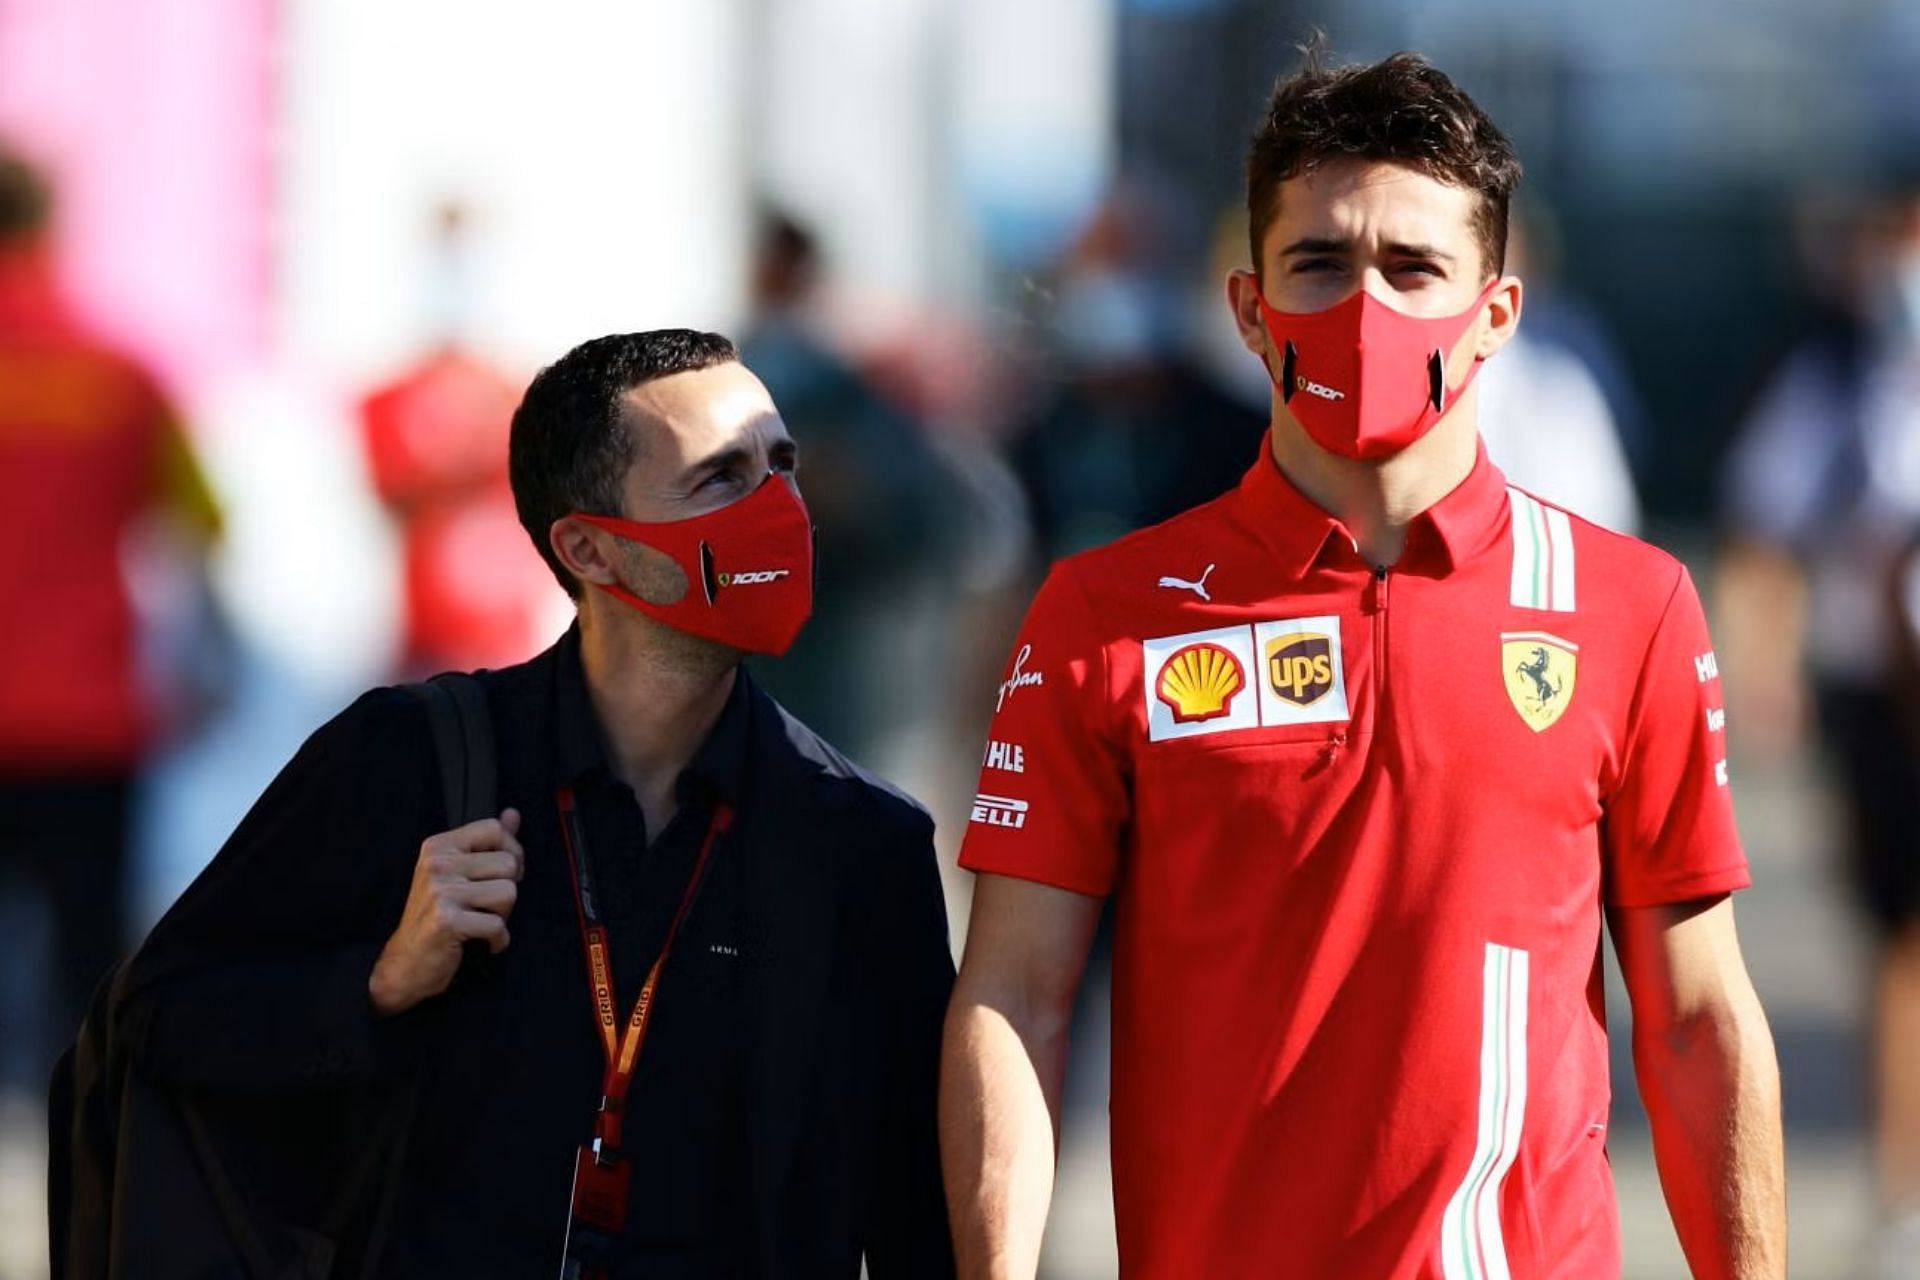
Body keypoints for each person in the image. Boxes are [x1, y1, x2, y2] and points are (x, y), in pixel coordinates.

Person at [940, 50, 1785, 1279]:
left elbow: (1700, 1015)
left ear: (1495, 312)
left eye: (1414, 267)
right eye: (1321, 263)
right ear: (1248, 308)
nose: (1366, 307)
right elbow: (1014, 992)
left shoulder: (1630, 604)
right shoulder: (1105, 612)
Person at [93, 330, 956, 1276]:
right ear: (590, 548)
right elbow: (160, 1018)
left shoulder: (861, 842)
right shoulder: (408, 762)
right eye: (722, 477)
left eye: (781, 465)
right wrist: (379, 982)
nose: (780, 508)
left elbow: (915, 1197)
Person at [1718, 175, 1920, 1278]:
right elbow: (1764, 526)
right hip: (1876, 695)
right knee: (1897, 940)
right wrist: (1762, 665)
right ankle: (1904, 1191)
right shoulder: (1834, 381)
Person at [0, 146, 222, 1079]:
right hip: (89, 719)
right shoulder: (120, 367)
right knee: (88, 981)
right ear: (51, 222)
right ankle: (81, 1184)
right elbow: (202, 526)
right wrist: (205, 671)